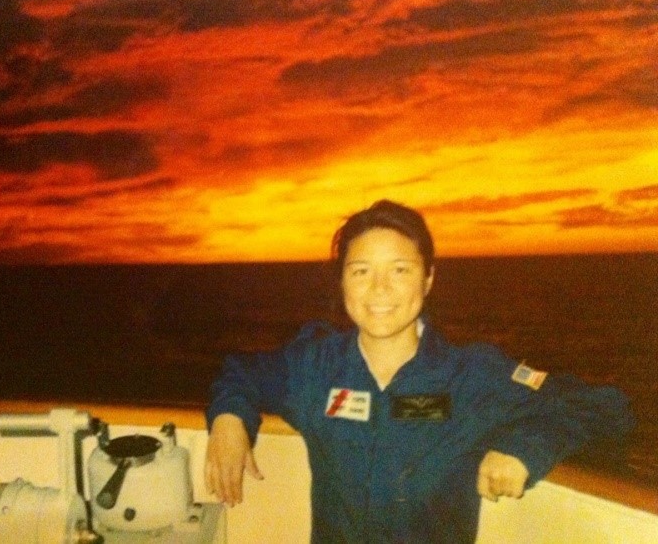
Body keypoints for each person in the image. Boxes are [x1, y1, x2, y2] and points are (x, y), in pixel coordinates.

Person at [204, 200, 634, 543]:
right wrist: (228, 418)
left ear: (428, 280)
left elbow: (604, 406)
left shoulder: (471, 375)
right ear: (341, 283)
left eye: (400, 270)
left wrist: (525, 449)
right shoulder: (314, 368)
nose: (380, 289)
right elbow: (243, 371)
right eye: (361, 271)